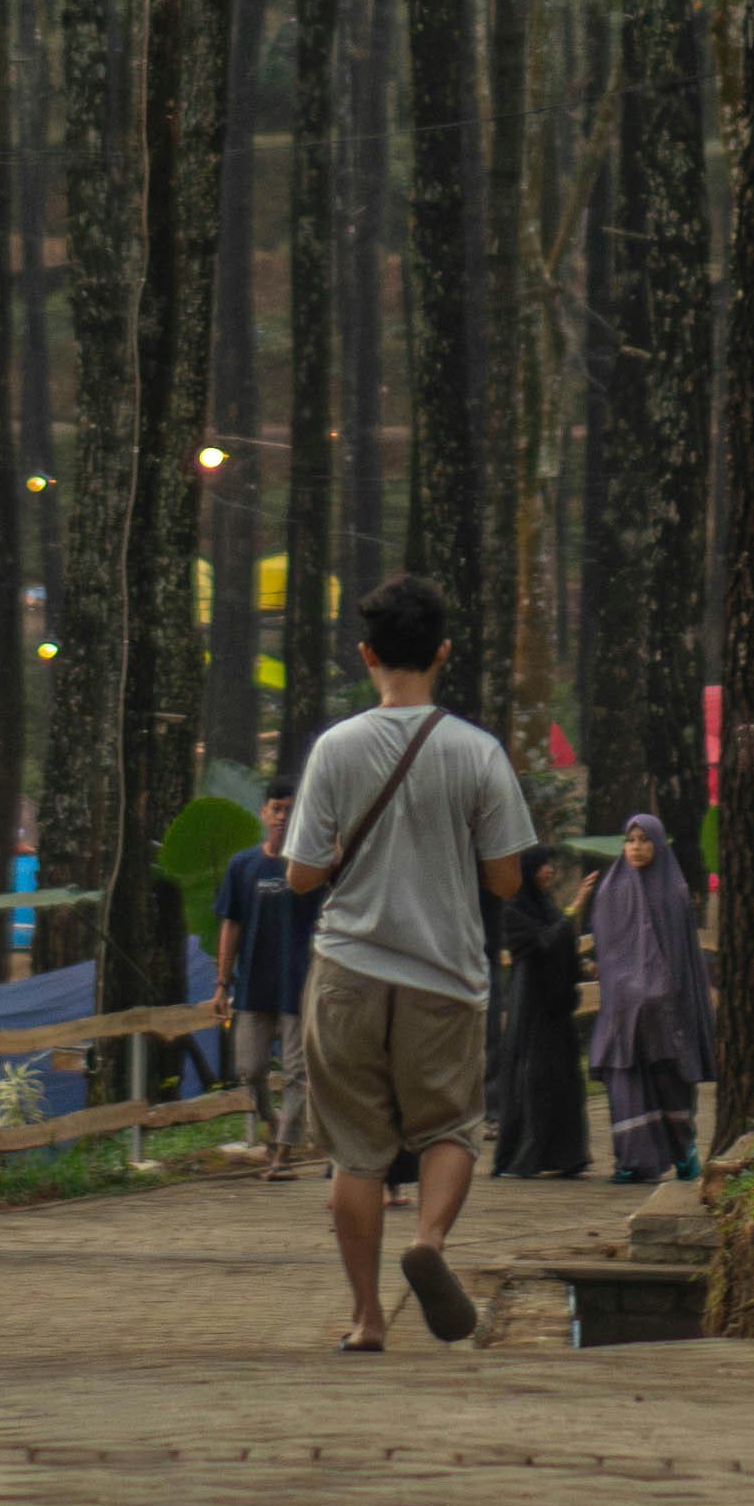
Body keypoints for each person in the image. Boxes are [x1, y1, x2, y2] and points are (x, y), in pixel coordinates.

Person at [278, 576, 536, 1350]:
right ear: (443, 654)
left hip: (348, 969)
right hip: (443, 973)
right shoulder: (477, 753)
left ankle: (365, 1319)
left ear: (366, 656)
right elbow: (506, 879)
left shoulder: (335, 748)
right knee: (451, 1126)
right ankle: (428, 1241)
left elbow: (297, 877)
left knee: (355, 1150)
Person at [583, 810, 713, 1183]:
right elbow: (609, 949)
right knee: (625, 1081)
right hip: (622, 1009)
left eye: (644, 840)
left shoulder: (673, 891)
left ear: (657, 845)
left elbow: (680, 955)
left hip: (665, 1008)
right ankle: (633, 1161)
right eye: (631, 840)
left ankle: (684, 1153)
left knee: (669, 1080)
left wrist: (660, 993)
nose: (637, 848)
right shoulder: (610, 890)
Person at [215, 795, 311, 1151]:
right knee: (250, 1069)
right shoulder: (243, 866)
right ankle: (271, 1121)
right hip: (253, 985)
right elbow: (231, 925)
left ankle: (284, 1151)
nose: (283, 817)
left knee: (295, 1072)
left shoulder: (307, 869)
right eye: (277, 809)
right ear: (265, 813)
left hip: (297, 987)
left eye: (290, 810)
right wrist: (221, 983)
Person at [486, 853, 591, 1179]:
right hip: (531, 1007)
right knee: (534, 1080)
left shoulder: (546, 907)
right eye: (545, 866)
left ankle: (565, 1154)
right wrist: (574, 908)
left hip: (554, 1007)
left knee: (561, 1079)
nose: (550, 871)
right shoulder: (514, 909)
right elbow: (542, 945)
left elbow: (562, 946)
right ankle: (524, 1154)